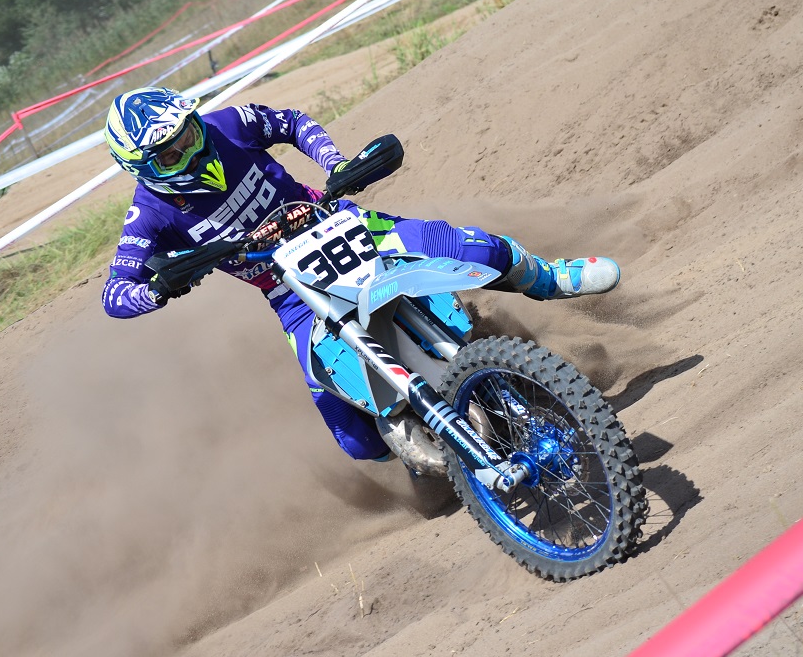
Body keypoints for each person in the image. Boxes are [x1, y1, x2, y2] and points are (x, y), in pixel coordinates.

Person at [101, 87, 621, 461]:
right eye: (171, 152)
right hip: (289, 292)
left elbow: (291, 123)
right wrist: (157, 289)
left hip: (342, 226)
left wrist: (334, 163)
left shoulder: (227, 124)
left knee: (470, 248)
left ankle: (547, 277)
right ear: (143, 168)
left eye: (189, 132)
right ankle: (419, 441)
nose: (192, 148)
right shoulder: (149, 215)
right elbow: (115, 294)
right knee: (356, 441)